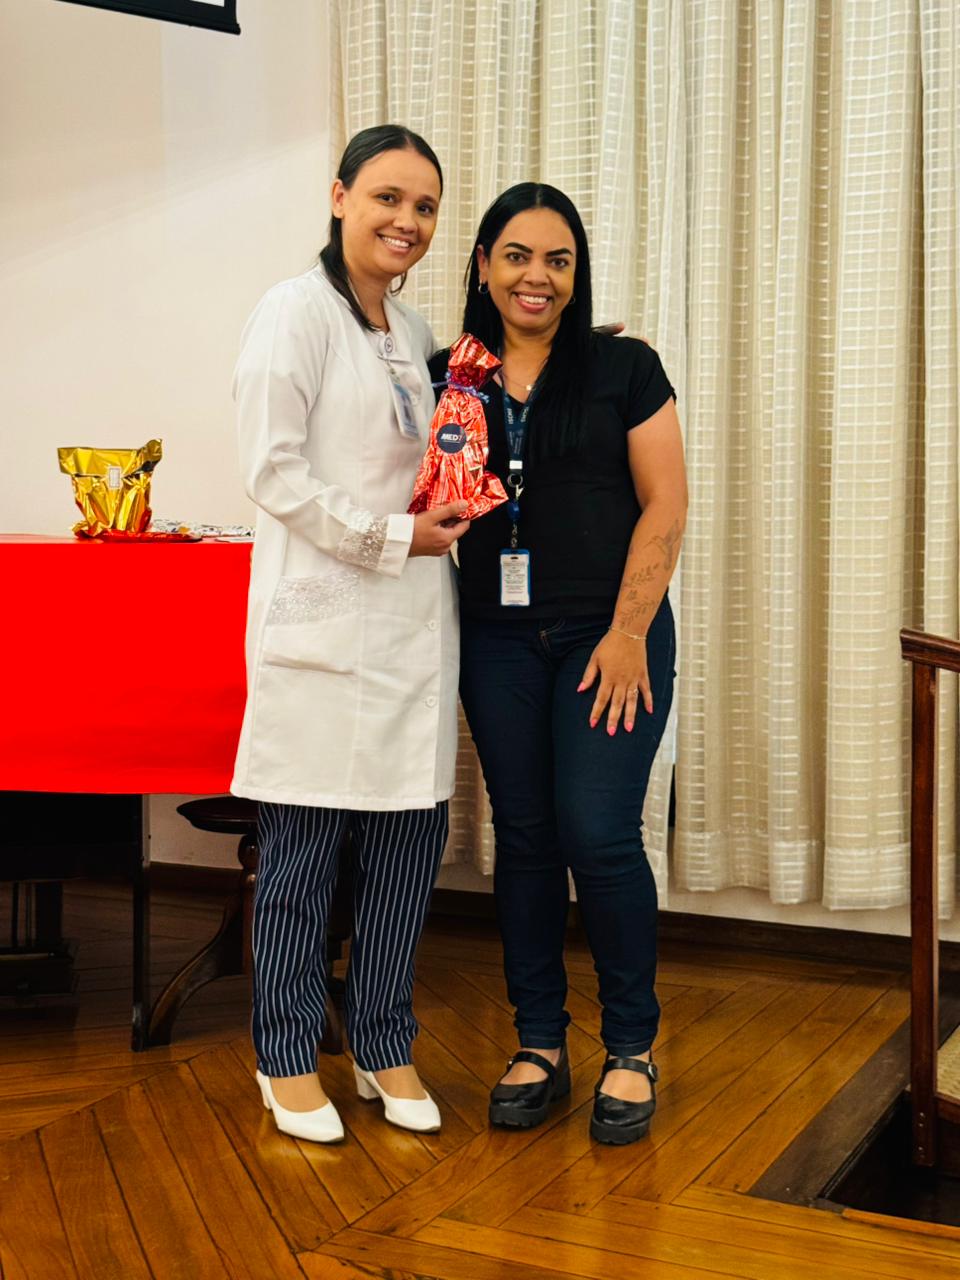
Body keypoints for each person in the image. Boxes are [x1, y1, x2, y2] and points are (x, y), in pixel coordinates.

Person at [429, 183, 687, 1145]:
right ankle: (539, 1040)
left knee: (599, 831)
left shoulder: (625, 366)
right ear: (483, 265)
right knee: (527, 836)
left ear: (577, 274)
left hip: (607, 636)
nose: (536, 276)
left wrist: (628, 632)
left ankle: (632, 1047)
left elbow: (665, 503)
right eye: (517, 255)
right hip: (495, 637)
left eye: (558, 259)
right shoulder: (449, 376)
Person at [231, 125, 470, 1143]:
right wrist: (390, 538)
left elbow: (454, 445)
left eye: (424, 206)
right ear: (339, 198)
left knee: (408, 852)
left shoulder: (413, 331)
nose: (406, 221)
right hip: (323, 627)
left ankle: (382, 1041)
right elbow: (272, 470)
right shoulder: (294, 313)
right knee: (302, 862)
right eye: (387, 197)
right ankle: (285, 1055)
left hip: (415, 628)